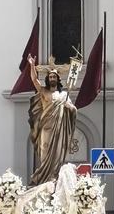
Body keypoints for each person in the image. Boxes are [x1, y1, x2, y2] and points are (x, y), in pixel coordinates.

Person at [27, 57, 77, 186]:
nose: (52, 79)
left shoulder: (64, 95)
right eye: (50, 77)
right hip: (46, 127)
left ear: (58, 79)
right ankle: (42, 178)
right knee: (44, 152)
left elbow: (73, 109)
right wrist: (32, 65)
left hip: (59, 129)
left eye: (54, 77)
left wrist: (70, 107)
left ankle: (54, 177)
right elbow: (34, 80)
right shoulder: (44, 91)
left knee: (57, 154)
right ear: (48, 79)